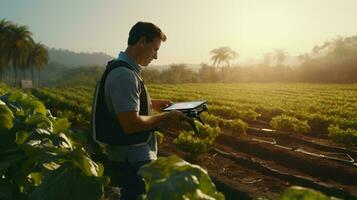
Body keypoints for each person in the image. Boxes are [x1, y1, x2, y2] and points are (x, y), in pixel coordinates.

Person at [92, 21, 192, 200]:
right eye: (155, 49)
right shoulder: (125, 75)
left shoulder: (121, 68)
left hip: (128, 158)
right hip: (132, 161)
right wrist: (167, 117)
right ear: (142, 42)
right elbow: (130, 124)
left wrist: (152, 104)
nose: (156, 57)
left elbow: (122, 103)